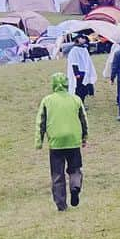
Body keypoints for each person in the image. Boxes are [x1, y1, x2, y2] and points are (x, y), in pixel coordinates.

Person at [36, 71, 88, 212]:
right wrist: (84, 137)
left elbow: (41, 121)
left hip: (56, 142)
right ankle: (75, 186)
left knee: (57, 174)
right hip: (73, 140)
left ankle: (61, 204)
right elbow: (83, 119)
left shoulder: (47, 100)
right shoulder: (75, 99)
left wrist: (39, 141)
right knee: (75, 169)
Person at [66, 34, 97, 101]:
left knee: (84, 89)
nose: (84, 40)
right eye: (82, 38)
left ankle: (82, 102)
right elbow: (74, 62)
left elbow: (87, 61)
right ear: (78, 39)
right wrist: (76, 73)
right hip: (79, 73)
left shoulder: (84, 49)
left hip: (85, 72)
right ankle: (79, 104)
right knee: (79, 89)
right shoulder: (74, 50)